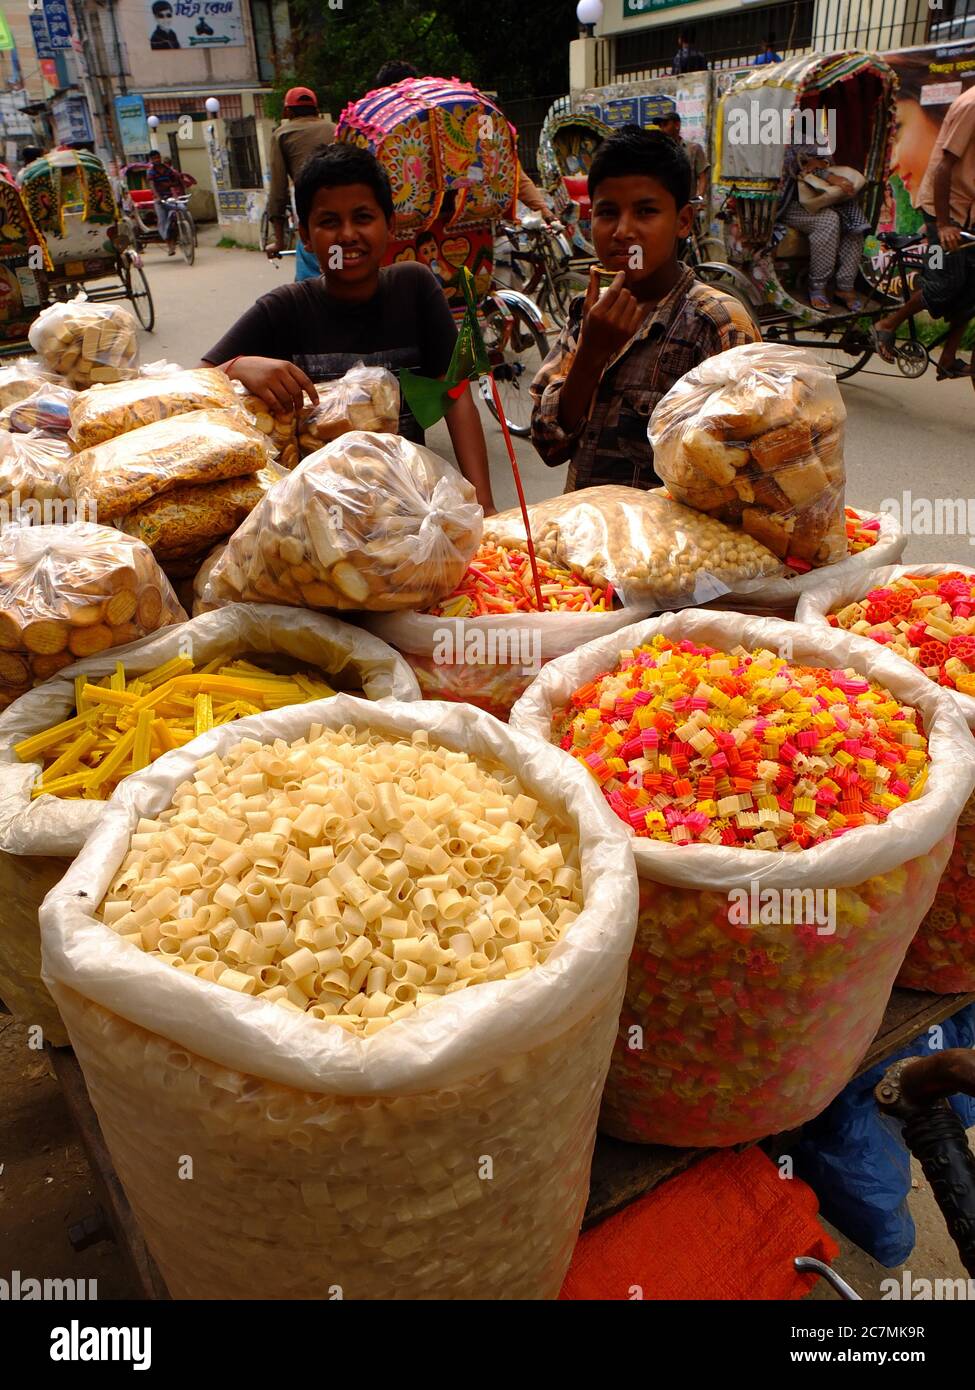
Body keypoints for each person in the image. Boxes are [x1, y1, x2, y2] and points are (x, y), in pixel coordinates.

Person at [201, 144, 496, 513]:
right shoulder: (283, 309)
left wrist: (484, 504)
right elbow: (192, 383)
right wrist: (236, 366)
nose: (347, 235)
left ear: (389, 224)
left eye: (362, 217)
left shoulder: (415, 288)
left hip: (413, 509)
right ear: (306, 237)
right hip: (315, 519)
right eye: (328, 222)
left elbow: (455, 395)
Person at [530, 127, 759, 493]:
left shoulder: (715, 322)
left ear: (683, 221)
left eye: (645, 212)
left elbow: (748, 464)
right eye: (607, 212)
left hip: (677, 545)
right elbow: (549, 444)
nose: (623, 231)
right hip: (587, 534)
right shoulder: (587, 312)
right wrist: (591, 352)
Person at [873, 85, 975, 381]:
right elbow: (944, 167)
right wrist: (943, 225)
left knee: (971, 290)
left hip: (969, 212)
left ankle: (947, 358)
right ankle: (888, 324)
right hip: (941, 209)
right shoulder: (971, 105)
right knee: (944, 281)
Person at [774, 139, 869, 313]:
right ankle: (817, 285)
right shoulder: (776, 135)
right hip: (789, 203)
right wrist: (822, 172)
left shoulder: (813, 135)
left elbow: (827, 162)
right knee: (828, 220)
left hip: (821, 196)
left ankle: (845, 286)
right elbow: (791, 166)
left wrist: (823, 165)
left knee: (855, 223)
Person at [266, 86, 336, 279]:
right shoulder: (335, 128)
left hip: (311, 214)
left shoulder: (282, 134)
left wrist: (279, 242)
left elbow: (278, 192)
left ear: (287, 112)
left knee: (308, 276)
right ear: (316, 109)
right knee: (337, 263)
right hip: (343, 213)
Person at [656, 110, 709, 198]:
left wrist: (699, 199)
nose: (662, 129)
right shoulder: (658, 150)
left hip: (688, 204)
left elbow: (702, 176)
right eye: (660, 126)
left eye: (665, 124)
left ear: (677, 125)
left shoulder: (693, 149)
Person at [145, 148, 185, 255]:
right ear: (151, 160)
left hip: (170, 198)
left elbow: (173, 183)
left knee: (182, 209)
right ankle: (170, 246)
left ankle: (186, 231)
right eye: (154, 158)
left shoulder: (168, 170)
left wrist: (176, 195)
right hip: (159, 200)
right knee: (163, 222)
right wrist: (158, 197)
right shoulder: (151, 172)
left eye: (158, 157)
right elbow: (152, 185)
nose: (156, 160)